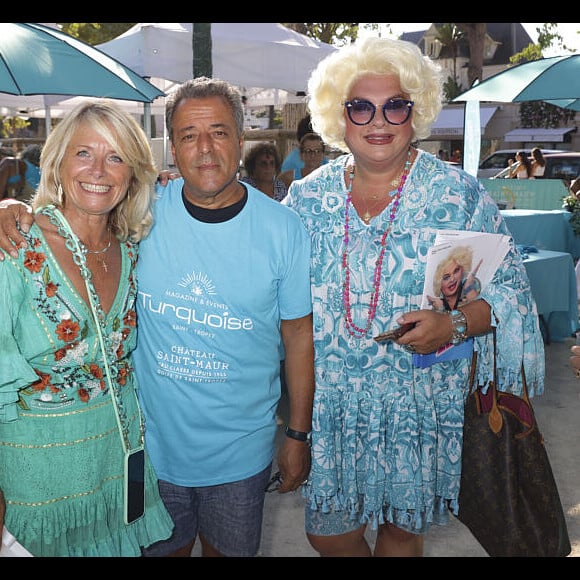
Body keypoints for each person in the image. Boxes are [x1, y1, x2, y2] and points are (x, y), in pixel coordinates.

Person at [0, 78, 316, 558]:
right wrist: (13, 207)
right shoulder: (146, 217)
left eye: (219, 132)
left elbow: (298, 336)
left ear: (241, 139)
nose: (205, 149)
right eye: (189, 135)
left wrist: (296, 433)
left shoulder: (280, 229)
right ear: (172, 148)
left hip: (237, 455)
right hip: (146, 453)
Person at [282, 36, 544, 557]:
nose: (378, 121)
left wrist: (455, 325)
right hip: (335, 408)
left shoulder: (458, 195)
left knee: (401, 533)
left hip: (419, 406)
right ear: (340, 116)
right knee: (328, 534)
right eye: (361, 107)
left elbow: (512, 294)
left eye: (395, 105)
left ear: (415, 111)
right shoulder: (305, 201)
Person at [0, 99, 174, 556]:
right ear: (56, 163)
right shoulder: (15, 245)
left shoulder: (130, 247)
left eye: (115, 156)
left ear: (132, 174)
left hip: (120, 464)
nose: (98, 169)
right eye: (84, 153)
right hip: (39, 481)